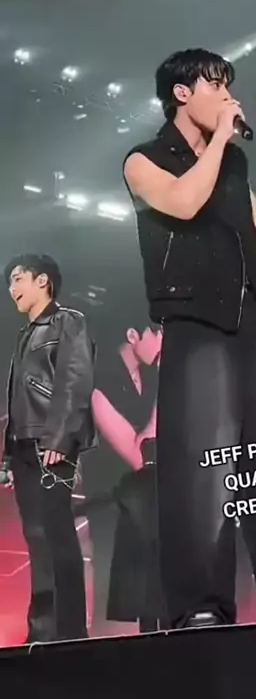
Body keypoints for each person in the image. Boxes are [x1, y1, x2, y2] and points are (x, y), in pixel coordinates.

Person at [123, 48, 256, 628]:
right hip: (196, 323)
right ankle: (202, 608)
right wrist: (219, 143)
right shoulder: (143, 160)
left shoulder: (233, 163)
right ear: (183, 93)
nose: (229, 97)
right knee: (203, 474)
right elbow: (184, 203)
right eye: (218, 86)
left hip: (254, 323)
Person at [0, 254, 96, 642]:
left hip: (51, 444)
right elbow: (16, 398)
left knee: (56, 533)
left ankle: (67, 631)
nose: (12, 289)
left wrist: (59, 437)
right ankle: (42, 628)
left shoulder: (68, 321)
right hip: (24, 446)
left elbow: (76, 379)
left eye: (17, 279)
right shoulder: (25, 334)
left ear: (42, 281)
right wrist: (8, 457)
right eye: (9, 283)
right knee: (36, 537)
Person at [90, 326, 164, 633]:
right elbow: (140, 455)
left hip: (154, 505)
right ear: (133, 335)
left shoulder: (150, 373)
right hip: (119, 512)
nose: (164, 342)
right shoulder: (99, 385)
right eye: (158, 333)